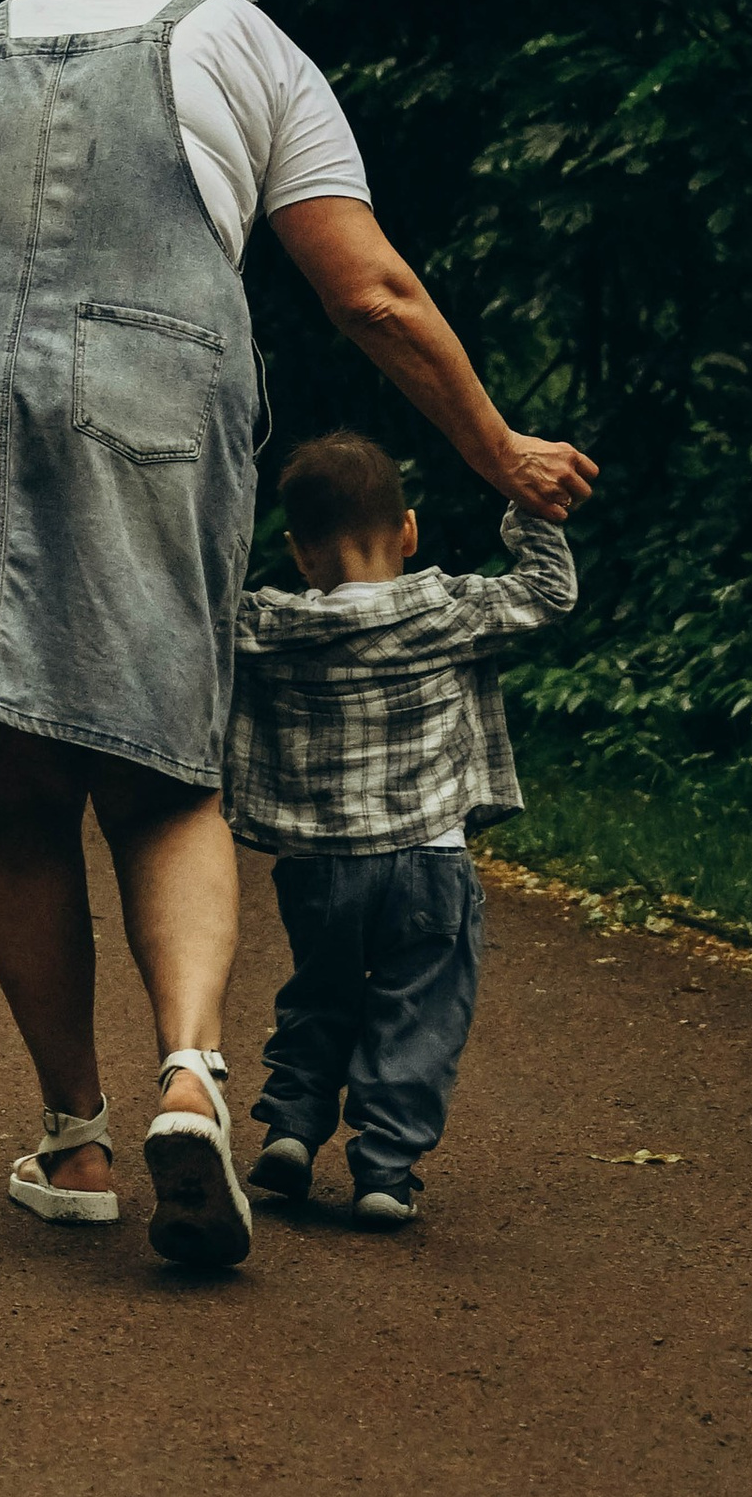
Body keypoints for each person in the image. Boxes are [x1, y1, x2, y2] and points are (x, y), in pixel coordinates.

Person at [0, 0, 595, 1274]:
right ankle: (197, 1078)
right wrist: (494, 449)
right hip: (146, 398)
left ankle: (75, 1139)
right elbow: (370, 290)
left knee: (14, 784)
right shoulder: (246, 36)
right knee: (162, 774)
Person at [229, 429, 575, 1229]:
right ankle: (384, 1167)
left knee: (320, 990)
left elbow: (194, 612)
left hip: (320, 867)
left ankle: (290, 1124)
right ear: (410, 531)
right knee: (420, 1008)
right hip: (431, 859)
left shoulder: (269, 625)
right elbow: (549, 591)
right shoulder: (448, 609)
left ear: (298, 551)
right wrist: (529, 507)